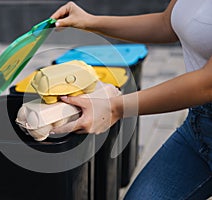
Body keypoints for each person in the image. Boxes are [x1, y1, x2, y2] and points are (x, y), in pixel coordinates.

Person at [50, 1, 212, 199]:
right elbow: (165, 24)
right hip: (199, 128)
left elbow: (207, 83)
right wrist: (89, 21)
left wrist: (114, 108)